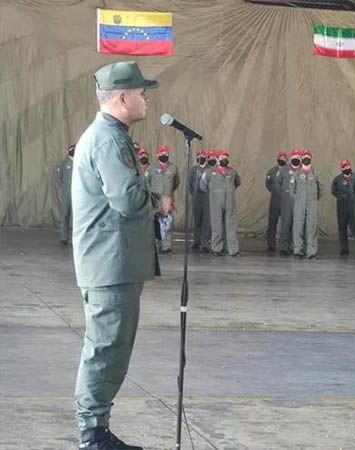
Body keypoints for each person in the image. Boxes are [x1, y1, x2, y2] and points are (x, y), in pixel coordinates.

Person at [72, 61, 159, 450]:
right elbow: (126, 198)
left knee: (112, 347)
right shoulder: (108, 138)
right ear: (122, 98)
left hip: (113, 261)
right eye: (142, 93)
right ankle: (92, 435)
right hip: (109, 263)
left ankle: (98, 429)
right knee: (105, 348)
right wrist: (159, 201)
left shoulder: (110, 135)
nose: (146, 99)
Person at [201, 150, 241, 257]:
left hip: (229, 202)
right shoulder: (209, 172)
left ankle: (233, 250)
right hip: (216, 202)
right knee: (216, 225)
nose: (225, 160)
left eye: (226, 158)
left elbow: (238, 182)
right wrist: (214, 193)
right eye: (223, 158)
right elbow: (203, 185)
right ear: (217, 159)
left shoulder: (232, 172)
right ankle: (216, 248)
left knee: (231, 225)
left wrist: (229, 191)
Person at [149, 144, 180, 254]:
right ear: (157, 155)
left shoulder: (173, 168)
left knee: (167, 222)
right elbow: (147, 182)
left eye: (166, 154)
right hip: (155, 200)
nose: (164, 155)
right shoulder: (151, 168)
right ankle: (155, 245)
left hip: (168, 199)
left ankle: (166, 246)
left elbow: (176, 182)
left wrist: (169, 193)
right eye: (162, 154)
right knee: (155, 222)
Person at [292, 149, 323, 259]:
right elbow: (293, 189)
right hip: (299, 204)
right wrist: (299, 199)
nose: (306, 158)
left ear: (310, 158)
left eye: (308, 156)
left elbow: (321, 189)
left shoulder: (315, 173)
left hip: (312, 205)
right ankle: (298, 250)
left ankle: (311, 252)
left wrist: (313, 199)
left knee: (312, 227)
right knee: (298, 227)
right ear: (301, 158)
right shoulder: (296, 174)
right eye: (304, 156)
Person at [278, 149, 301, 256]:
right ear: (291, 158)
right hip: (286, 200)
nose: (296, 159)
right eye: (294, 157)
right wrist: (283, 193)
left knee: (298, 224)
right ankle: (284, 247)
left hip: (299, 201)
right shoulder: (284, 170)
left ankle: (297, 246)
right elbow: (277, 183)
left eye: (298, 157)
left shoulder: (302, 170)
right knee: (286, 223)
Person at [332, 159, 355, 256]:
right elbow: (333, 191)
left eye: (348, 167)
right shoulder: (337, 179)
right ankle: (344, 248)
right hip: (341, 207)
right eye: (344, 167)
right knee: (342, 228)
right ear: (341, 169)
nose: (346, 168)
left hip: (353, 206)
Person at [188, 149, 211, 252]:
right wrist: (193, 194)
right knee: (196, 220)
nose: (200, 158)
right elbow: (189, 184)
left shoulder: (210, 170)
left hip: (207, 197)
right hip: (196, 197)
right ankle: (196, 241)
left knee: (206, 221)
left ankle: (205, 243)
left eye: (202, 156)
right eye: (199, 156)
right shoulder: (193, 170)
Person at [265, 150, 288, 252]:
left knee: (286, 224)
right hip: (275, 200)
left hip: (286, 201)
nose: (282, 160)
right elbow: (268, 184)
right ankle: (271, 245)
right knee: (272, 223)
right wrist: (275, 192)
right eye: (280, 158)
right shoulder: (272, 171)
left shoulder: (289, 171)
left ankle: (285, 246)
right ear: (277, 159)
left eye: (284, 158)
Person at [57, 143, 75, 245]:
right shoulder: (65, 163)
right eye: (72, 151)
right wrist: (64, 188)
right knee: (64, 215)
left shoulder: (80, 162)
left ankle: (75, 239)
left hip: (77, 194)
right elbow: (59, 177)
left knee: (76, 217)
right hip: (66, 194)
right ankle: (64, 237)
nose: (73, 152)